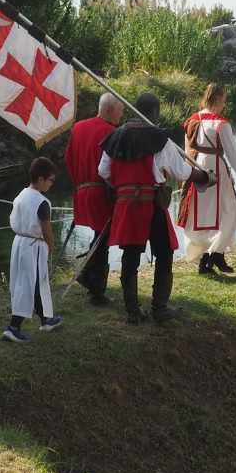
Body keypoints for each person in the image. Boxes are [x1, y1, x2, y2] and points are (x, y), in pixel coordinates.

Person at [100, 91, 197, 324]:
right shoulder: (160, 139)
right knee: (164, 252)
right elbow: (182, 172)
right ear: (154, 112)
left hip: (126, 205)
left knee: (130, 256)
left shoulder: (116, 136)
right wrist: (204, 176)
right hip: (152, 204)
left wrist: (125, 185)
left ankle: (132, 311)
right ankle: (159, 309)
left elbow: (103, 171)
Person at [178, 83, 236, 274]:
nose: (224, 104)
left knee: (202, 215)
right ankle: (214, 254)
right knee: (231, 212)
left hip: (196, 170)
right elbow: (233, 154)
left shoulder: (192, 120)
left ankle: (211, 257)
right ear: (217, 99)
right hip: (215, 170)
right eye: (223, 100)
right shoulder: (221, 124)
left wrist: (186, 174)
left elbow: (186, 150)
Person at [66, 93, 125, 305]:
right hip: (101, 192)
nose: (122, 114)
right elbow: (115, 167)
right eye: (120, 110)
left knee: (100, 237)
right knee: (103, 238)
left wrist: (79, 184)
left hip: (81, 191)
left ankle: (90, 279)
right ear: (109, 110)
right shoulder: (112, 133)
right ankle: (94, 286)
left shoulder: (78, 127)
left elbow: (69, 159)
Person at [5, 157, 62, 342]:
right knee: (28, 284)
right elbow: (46, 228)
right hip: (33, 246)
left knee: (34, 282)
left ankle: (46, 319)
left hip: (20, 243)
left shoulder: (21, 195)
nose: (51, 184)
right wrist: (51, 245)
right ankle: (13, 327)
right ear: (40, 179)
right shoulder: (41, 201)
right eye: (50, 180)